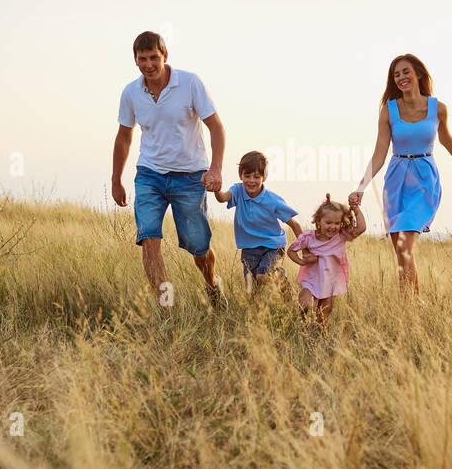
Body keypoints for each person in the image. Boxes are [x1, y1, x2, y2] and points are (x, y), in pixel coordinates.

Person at [111, 31, 227, 308]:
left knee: (198, 247)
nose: (149, 64)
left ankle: (212, 285)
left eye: (154, 57)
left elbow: (216, 127)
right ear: (135, 61)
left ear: (165, 56)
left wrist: (216, 169)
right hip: (150, 174)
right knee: (149, 238)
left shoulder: (189, 83)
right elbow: (124, 136)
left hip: (189, 176)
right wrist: (116, 179)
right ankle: (167, 307)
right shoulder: (131, 92)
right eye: (142, 59)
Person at [349, 54, 452, 295]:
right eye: (396, 74)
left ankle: (411, 305)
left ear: (419, 74)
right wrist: (361, 187)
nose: (401, 78)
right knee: (401, 253)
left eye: (405, 72)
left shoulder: (438, 108)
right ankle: (410, 307)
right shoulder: (388, 111)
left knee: (405, 246)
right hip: (396, 179)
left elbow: (444, 136)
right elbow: (379, 153)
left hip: (424, 179)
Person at [212, 150, 303, 295]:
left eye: (257, 176)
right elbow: (223, 198)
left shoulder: (272, 200)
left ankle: (287, 293)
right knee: (252, 291)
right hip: (249, 248)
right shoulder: (237, 190)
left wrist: (305, 249)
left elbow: (295, 225)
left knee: (263, 275)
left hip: (273, 246)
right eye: (247, 176)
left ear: (264, 177)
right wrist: (217, 190)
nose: (251, 181)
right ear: (240, 175)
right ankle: (258, 314)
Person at [287, 193, 366, 323]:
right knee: (306, 304)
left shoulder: (341, 236)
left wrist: (356, 209)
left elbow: (361, 228)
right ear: (318, 221)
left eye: (337, 223)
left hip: (332, 282)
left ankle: (319, 335)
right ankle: (303, 325)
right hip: (311, 280)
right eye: (328, 222)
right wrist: (302, 261)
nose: (332, 227)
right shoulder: (308, 237)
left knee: (323, 317)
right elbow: (291, 251)